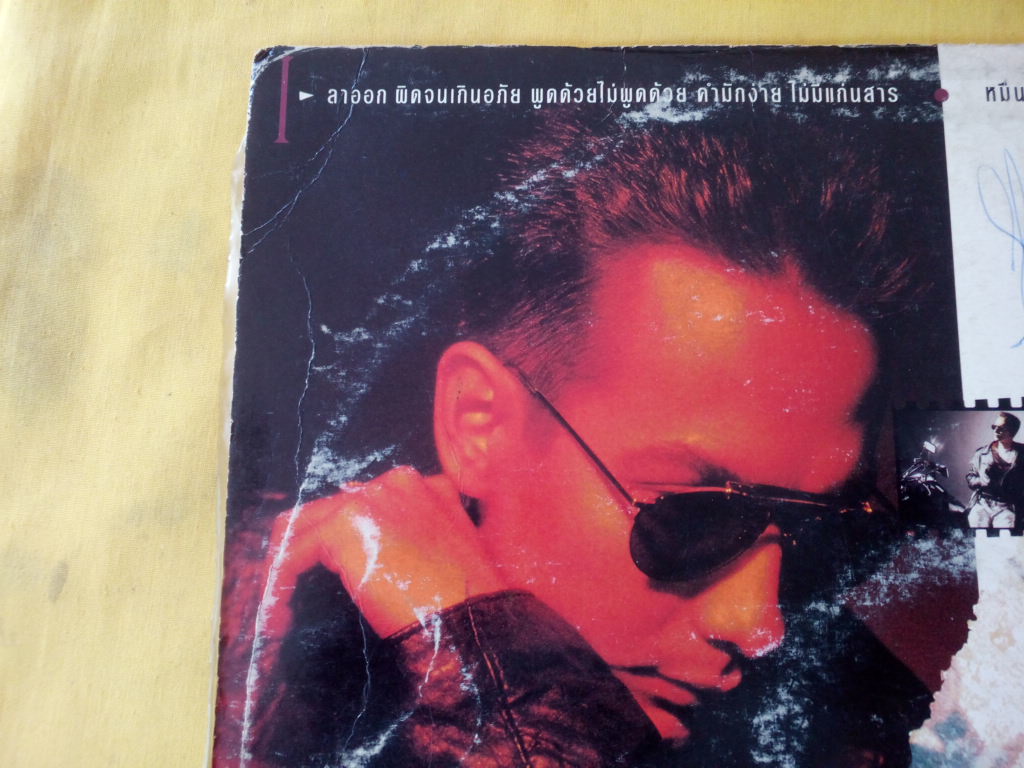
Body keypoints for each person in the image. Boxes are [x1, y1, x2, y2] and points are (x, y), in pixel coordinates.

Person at [229, 115, 933, 768]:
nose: (759, 626)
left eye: (816, 529)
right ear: (480, 422)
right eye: (689, 516)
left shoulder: (870, 730)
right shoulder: (231, 649)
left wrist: (509, 697)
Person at [965, 412, 1024, 530]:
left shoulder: (1022, 453)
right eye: (994, 427)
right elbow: (970, 477)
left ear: (1011, 431)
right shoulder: (982, 453)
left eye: (1001, 428)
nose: (996, 430)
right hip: (982, 504)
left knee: (1005, 536)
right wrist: (982, 481)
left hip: (1008, 506)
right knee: (978, 534)